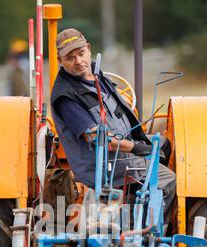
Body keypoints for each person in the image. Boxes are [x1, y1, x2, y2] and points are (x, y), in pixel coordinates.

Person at [51, 28, 176, 216]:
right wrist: (135, 147)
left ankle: (143, 193)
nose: (78, 61)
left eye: (81, 54)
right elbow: (95, 137)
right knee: (168, 179)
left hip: (120, 152)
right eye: (70, 58)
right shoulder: (65, 96)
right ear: (60, 61)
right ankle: (139, 226)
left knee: (165, 144)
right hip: (104, 165)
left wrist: (139, 143)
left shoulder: (95, 74)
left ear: (89, 49)